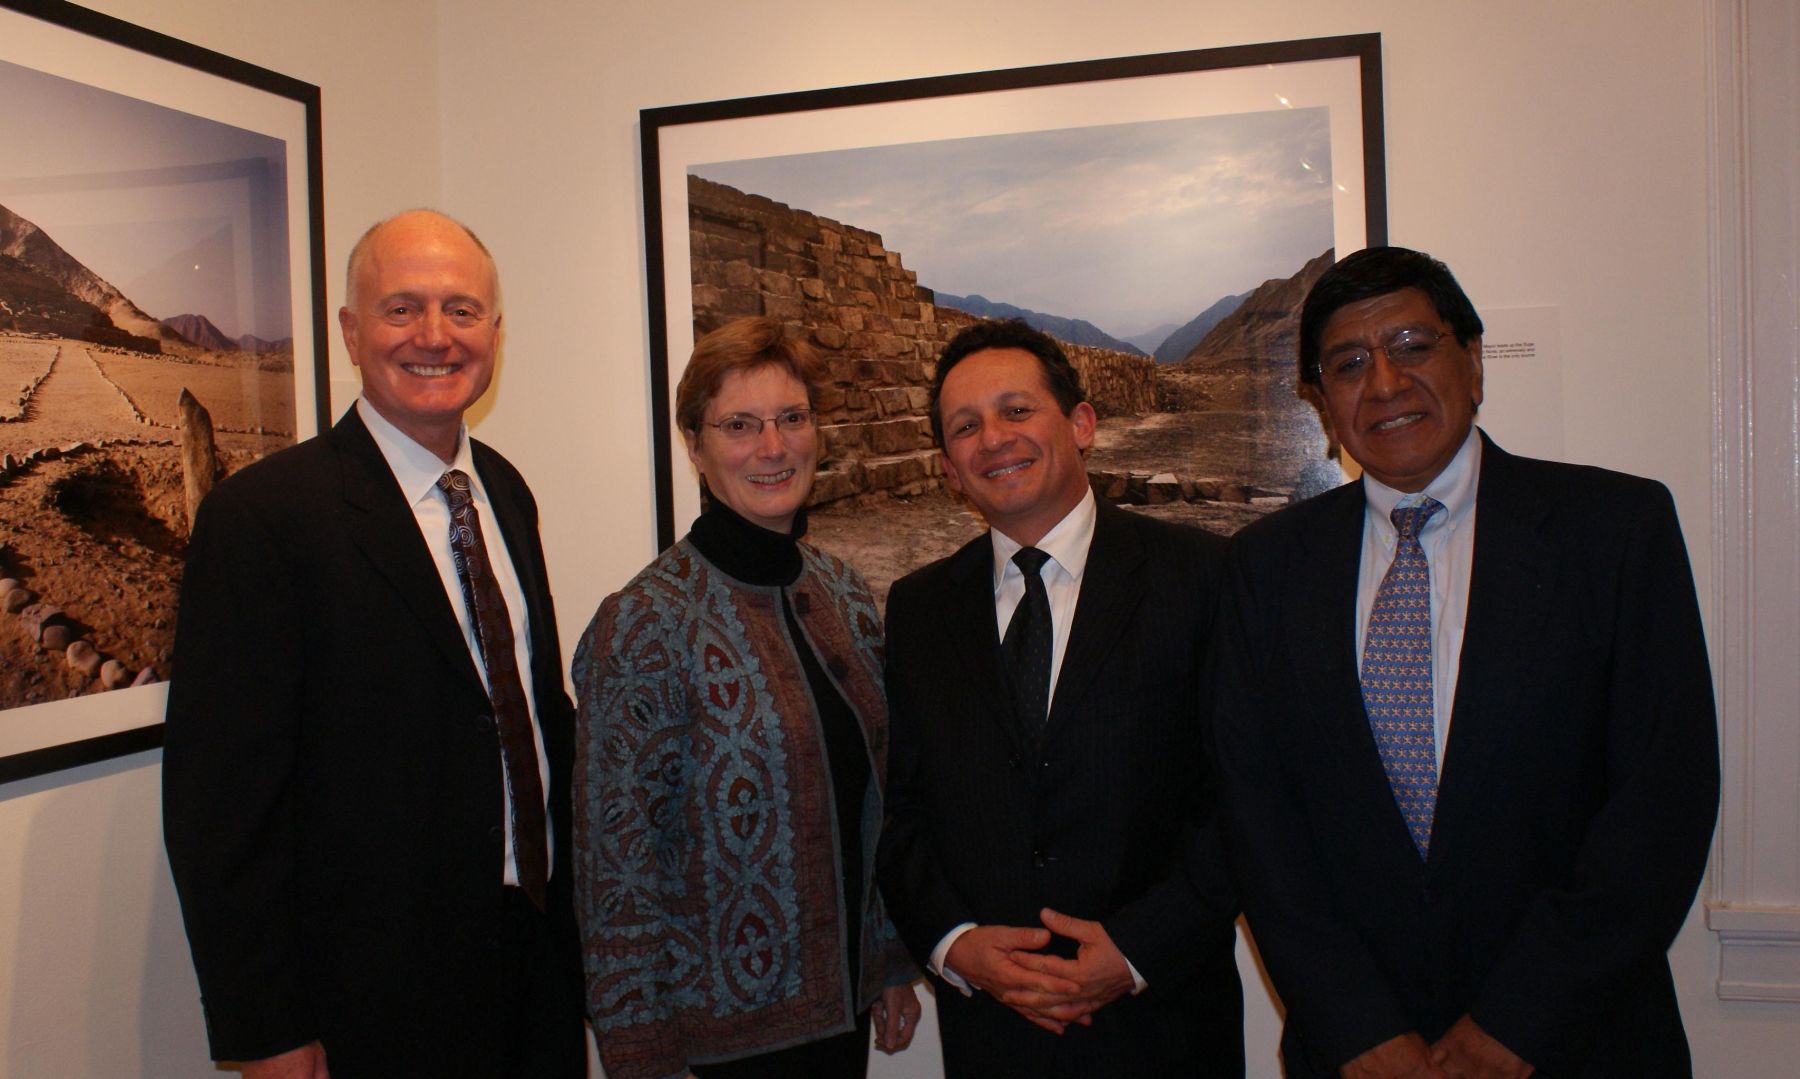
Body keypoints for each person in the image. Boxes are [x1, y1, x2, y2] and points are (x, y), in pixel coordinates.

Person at [1212, 246, 1720, 1078]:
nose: (1383, 383)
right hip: (1356, 1054)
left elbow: (1662, 800)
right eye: (1348, 363)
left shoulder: (1616, 531)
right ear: (1319, 401)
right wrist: (1355, 1023)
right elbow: (1258, 818)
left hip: (1579, 1039)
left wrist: (1521, 1022)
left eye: (1413, 344)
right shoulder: (1263, 569)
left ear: (1474, 361)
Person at [162, 209, 585, 1077]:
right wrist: (265, 1028)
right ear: (351, 333)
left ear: (495, 334)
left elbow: (531, 713)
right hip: (371, 998)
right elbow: (220, 806)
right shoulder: (264, 520)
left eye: (463, 311)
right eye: (403, 309)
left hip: (533, 961)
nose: (436, 335)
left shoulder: (503, 490)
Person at [876, 319, 1244, 1078]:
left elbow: (1245, 798)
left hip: (1164, 1026)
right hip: (993, 1036)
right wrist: (953, 942)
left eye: (1017, 410)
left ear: (1081, 423)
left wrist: (1140, 947)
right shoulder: (918, 608)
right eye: (966, 427)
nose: (993, 439)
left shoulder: (1202, 578)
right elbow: (900, 805)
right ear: (949, 467)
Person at [573, 316, 919, 1079]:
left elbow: (877, 799)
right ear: (694, 446)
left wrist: (889, 959)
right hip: (714, 1047)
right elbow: (617, 863)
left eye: (791, 418)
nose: (773, 446)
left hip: (844, 1017)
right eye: (740, 424)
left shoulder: (845, 594)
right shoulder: (644, 622)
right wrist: (642, 1054)